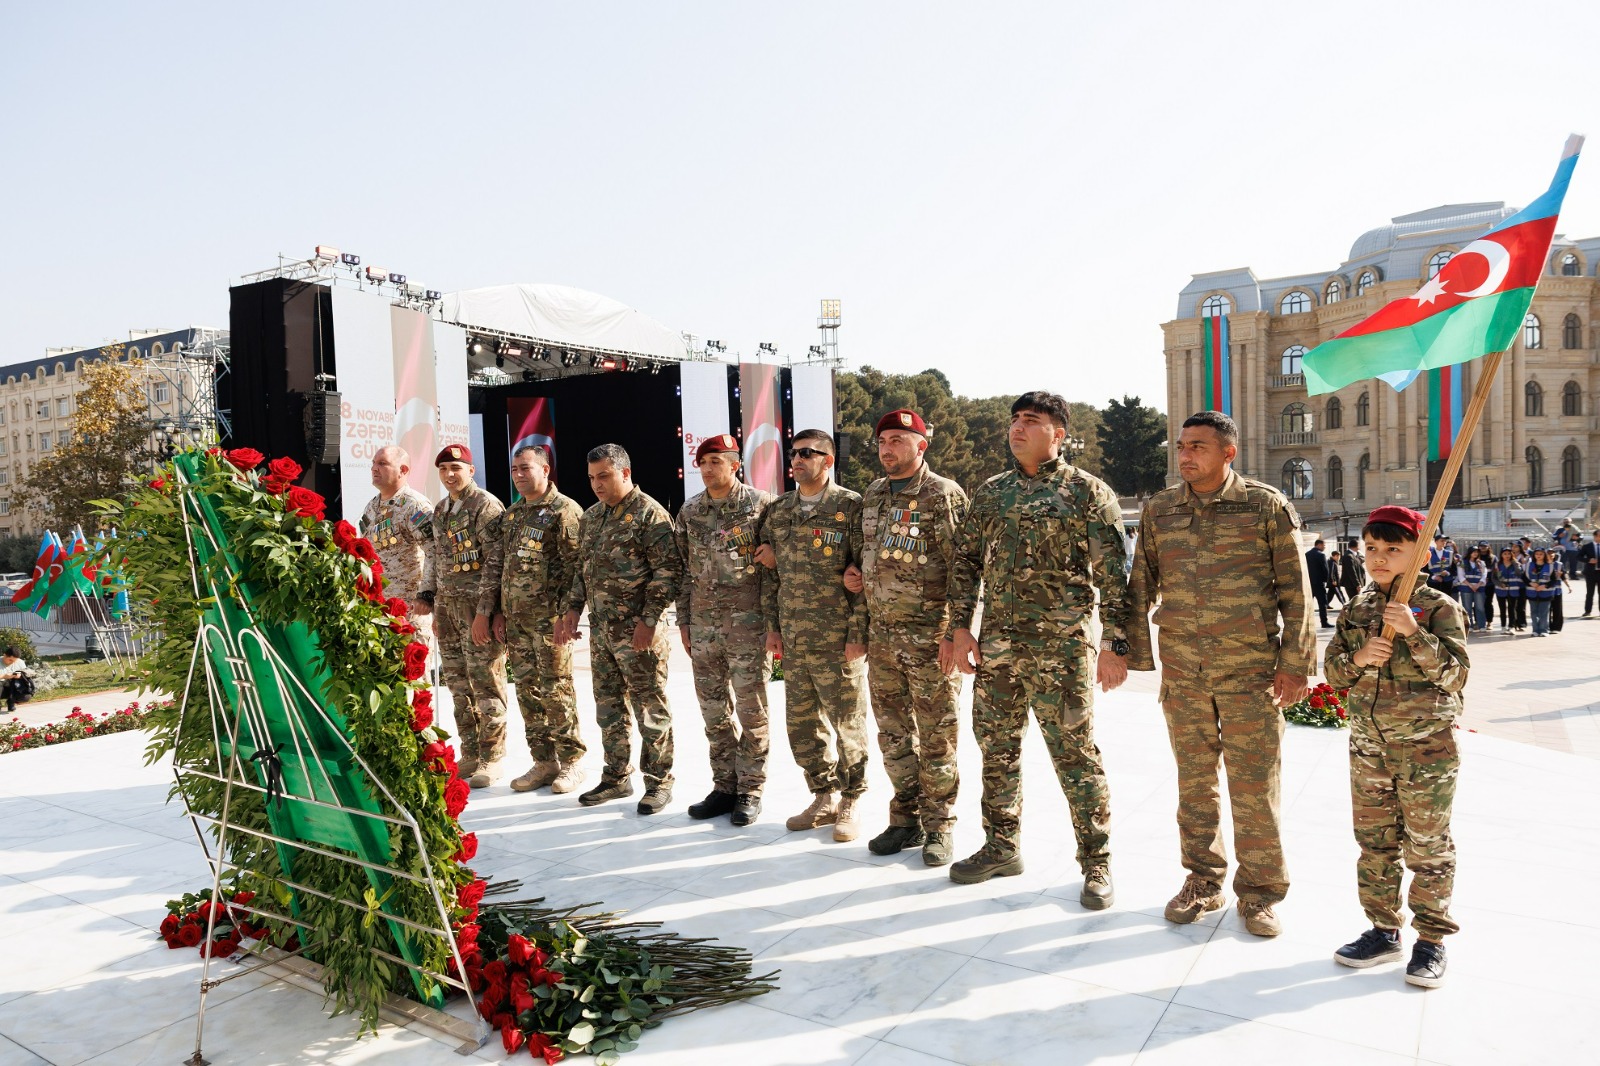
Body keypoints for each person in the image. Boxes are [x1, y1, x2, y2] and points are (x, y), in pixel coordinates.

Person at [1127, 410, 1316, 937]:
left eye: (1198, 447)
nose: (1185, 456)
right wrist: (1136, 655)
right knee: (1195, 785)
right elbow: (1140, 585)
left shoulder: (1264, 506)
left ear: (1228, 453)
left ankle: (1259, 893)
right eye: (1182, 446)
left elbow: (1296, 594)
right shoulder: (1161, 511)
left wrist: (1296, 666)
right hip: (1185, 673)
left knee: (1254, 786)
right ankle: (1202, 880)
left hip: (1249, 674)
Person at [946, 391, 1130, 903]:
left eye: (1031, 421)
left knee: (1075, 754)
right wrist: (959, 628)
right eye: (1015, 421)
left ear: (1060, 434)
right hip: (999, 647)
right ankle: (1001, 846)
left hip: (1063, 649)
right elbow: (964, 563)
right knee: (997, 749)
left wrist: (1115, 646)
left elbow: (1114, 578)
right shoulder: (990, 493)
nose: (1017, 428)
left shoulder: (1087, 493)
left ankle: (1096, 862)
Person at [1324, 505, 1468, 988]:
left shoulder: (1439, 608)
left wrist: (1414, 632)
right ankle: (1383, 930)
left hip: (1426, 749)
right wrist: (1361, 656)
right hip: (1369, 747)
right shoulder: (1357, 609)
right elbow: (1334, 673)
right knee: (1375, 843)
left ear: (1420, 553)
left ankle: (1431, 940)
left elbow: (1457, 675)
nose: (1379, 558)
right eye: (1371, 549)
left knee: (1428, 845)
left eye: (1392, 549)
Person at [842, 408, 969, 866]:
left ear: (921, 446)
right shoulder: (873, 494)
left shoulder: (943, 495)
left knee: (937, 737)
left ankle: (940, 827)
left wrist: (956, 634)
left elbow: (963, 570)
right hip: (883, 640)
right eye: (883, 441)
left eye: (898, 440)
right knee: (893, 735)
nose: (887, 449)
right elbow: (864, 557)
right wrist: (856, 574)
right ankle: (905, 818)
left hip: (930, 639)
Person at [754, 429, 871, 843]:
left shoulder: (850, 506)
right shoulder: (781, 510)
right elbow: (770, 577)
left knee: (847, 723)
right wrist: (773, 628)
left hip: (837, 638)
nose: (798, 459)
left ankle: (853, 799)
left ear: (829, 460)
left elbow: (863, 575)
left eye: (809, 453)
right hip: (795, 639)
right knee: (802, 725)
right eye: (794, 453)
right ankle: (824, 795)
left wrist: (858, 635)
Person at [563, 444, 682, 814]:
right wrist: (570, 610)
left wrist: (648, 622)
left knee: (650, 707)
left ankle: (659, 781)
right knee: (610, 709)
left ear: (625, 473)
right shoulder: (592, 517)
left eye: (604, 476)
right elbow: (583, 571)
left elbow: (668, 573)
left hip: (639, 633)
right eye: (592, 478)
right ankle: (616, 777)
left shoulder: (651, 514)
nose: (597, 485)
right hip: (601, 633)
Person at [675, 435, 774, 827]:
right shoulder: (690, 511)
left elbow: (774, 568)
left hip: (748, 625)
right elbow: (684, 572)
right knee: (714, 711)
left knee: (752, 711)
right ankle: (724, 786)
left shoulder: (761, 505)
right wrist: (683, 621)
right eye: (703, 461)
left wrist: (773, 624)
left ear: (735, 465)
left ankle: (750, 788)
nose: (708, 468)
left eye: (717, 461)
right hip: (703, 627)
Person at [487, 444, 587, 796]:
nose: (518, 475)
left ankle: (572, 761)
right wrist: (498, 610)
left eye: (525, 468)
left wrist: (567, 614)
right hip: (516, 621)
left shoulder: (565, 511)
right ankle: (544, 760)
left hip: (550, 621)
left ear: (546, 470)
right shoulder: (512, 515)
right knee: (528, 692)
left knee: (556, 689)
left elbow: (577, 568)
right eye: (514, 469)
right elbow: (504, 569)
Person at [417, 445, 508, 789]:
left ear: (470, 470)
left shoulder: (485, 505)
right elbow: (439, 561)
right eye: (443, 469)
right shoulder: (441, 509)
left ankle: (492, 756)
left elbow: (495, 562)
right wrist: (437, 608)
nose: (449, 474)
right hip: (449, 610)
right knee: (458, 687)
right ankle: (469, 751)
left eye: (456, 467)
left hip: (476, 611)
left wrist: (486, 613)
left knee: (486, 684)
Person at [360, 445, 437, 643]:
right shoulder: (372, 506)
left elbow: (434, 551)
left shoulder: (414, 506)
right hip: (378, 610)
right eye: (374, 464)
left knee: (412, 674)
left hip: (409, 612)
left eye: (382, 463)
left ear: (403, 470)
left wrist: (426, 595)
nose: (374, 468)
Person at [1455, 547, 1489, 633]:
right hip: (1466, 588)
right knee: (1467, 608)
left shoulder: (1481, 563)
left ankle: (1482, 625)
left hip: (1479, 588)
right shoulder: (1462, 563)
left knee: (1480, 607)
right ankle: (1469, 626)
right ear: (1469, 552)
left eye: (1477, 552)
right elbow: (1461, 576)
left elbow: (1484, 575)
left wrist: (1478, 585)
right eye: (1473, 552)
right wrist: (1470, 585)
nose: (1475, 554)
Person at [1526, 547, 1556, 637]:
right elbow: (1524, 577)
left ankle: (1544, 630)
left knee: (1544, 612)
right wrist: (1531, 583)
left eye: (1541, 554)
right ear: (1534, 555)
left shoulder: (1550, 565)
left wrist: (1545, 586)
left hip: (1545, 592)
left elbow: (1554, 580)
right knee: (1534, 612)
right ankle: (1535, 630)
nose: (1538, 556)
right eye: (1537, 554)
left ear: (1544, 555)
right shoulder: (1529, 565)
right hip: (1532, 592)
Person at [1493, 547, 1523, 632]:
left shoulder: (1516, 564)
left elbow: (1519, 573)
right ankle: (1503, 626)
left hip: (1513, 590)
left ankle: (1511, 626)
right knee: (1502, 609)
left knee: (1512, 609)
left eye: (1509, 553)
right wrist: (1499, 584)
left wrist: (1515, 564)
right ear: (1501, 555)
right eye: (1505, 554)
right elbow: (1494, 578)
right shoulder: (1497, 565)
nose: (1507, 555)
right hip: (1501, 590)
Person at [1305, 539, 1333, 627]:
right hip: (1319, 583)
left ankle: (1307, 623)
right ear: (1319, 545)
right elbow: (1325, 569)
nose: (1324, 547)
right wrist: (1326, 580)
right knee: (1322, 603)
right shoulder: (1321, 555)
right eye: (1324, 545)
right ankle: (1324, 622)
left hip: (1308, 583)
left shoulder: (1307, 554)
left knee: (1308, 604)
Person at [0, 647, 30, 712]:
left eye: (14, 661)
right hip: (1, 686)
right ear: (4, 655)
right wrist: (4, 676)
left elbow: (25, 674)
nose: (12, 662)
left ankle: (11, 701)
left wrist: (20, 676)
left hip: (13, 686)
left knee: (26, 696)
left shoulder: (20, 662)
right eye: (10, 660)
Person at [1581, 529, 1600, 617]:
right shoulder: (1587, 546)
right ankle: (1587, 611)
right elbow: (1579, 557)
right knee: (1590, 593)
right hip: (1590, 573)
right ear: (1595, 536)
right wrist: (1588, 560)